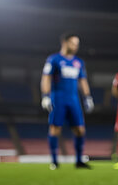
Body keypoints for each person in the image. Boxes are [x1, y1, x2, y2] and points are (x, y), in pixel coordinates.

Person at [40, 32, 94, 170]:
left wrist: (87, 97)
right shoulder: (54, 59)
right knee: (55, 128)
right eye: (73, 43)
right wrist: (45, 96)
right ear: (64, 42)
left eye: (77, 44)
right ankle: (54, 161)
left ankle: (79, 161)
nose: (76, 46)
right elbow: (46, 78)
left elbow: (83, 81)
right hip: (58, 98)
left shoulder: (78, 62)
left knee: (80, 130)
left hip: (74, 100)